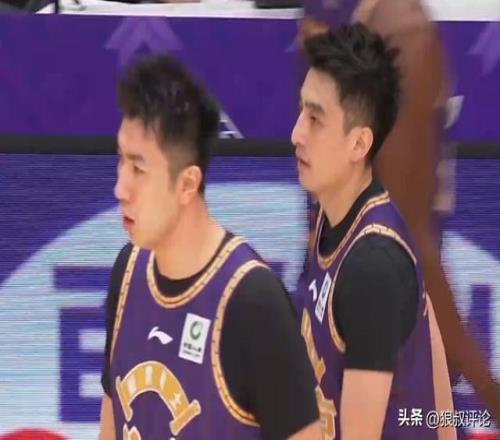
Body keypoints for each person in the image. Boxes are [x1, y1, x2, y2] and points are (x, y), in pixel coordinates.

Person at [99, 54, 321, 440]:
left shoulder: (253, 302)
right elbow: (111, 426)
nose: (120, 188)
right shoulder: (128, 273)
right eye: (120, 161)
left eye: (138, 169)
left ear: (187, 184)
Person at [300, 0, 500, 429]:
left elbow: (407, 242)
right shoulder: (360, 24)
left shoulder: (404, 34)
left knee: (406, 262)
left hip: (395, 245)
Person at [292, 23, 456, 439]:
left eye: (315, 119)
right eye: (301, 111)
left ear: (359, 144)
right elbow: (430, 331)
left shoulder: (373, 266)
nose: (296, 134)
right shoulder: (335, 215)